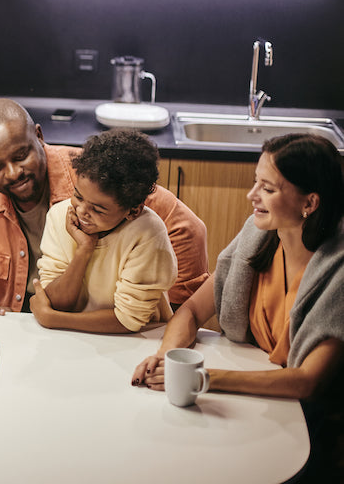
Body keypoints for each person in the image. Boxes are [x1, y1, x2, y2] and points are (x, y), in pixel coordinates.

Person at [132, 133, 344, 479]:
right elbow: (191, 310)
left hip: (310, 429)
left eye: (268, 188)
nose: (252, 196)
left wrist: (202, 379)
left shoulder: (338, 273)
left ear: (310, 202)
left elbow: (308, 383)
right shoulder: (257, 239)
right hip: (254, 404)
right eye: (254, 182)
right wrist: (168, 356)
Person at [0, 98, 208, 314]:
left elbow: (186, 228)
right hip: (14, 319)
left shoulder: (90, 174)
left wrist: (176, 312)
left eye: (21, 156)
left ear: (39, 136)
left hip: (96, 321)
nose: (13, 173)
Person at [29, 129, 176, 333]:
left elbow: (128, 320)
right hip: (77, 337)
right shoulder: (59, 215)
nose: (81, 212)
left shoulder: (147, 234)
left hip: (140, 340)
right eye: (78, 196)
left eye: (98, 209)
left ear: (133, 210)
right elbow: (57, 302)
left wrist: (54, 319)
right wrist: (84, 250)